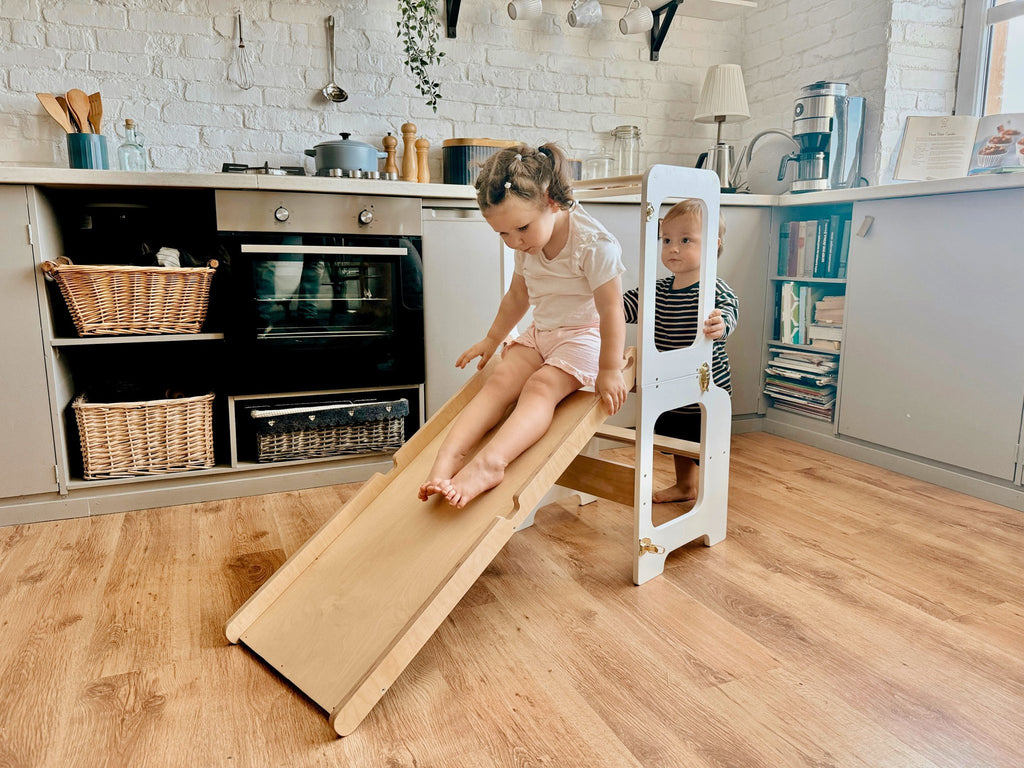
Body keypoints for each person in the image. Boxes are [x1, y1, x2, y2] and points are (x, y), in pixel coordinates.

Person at [419, 142, 628, 508]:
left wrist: (610, 369)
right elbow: (518, 296)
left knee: (540, 386)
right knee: (500, 379)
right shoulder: (526, 243)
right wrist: (492, 338)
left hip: (582, 339)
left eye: (521, 229)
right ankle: (449, 457)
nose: (515, 242)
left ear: (551, 201)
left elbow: (612, 310)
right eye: (502, 234)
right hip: (541, 333)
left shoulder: (594, 245)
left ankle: (489, 464)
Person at [622, 198, 738, 503]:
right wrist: (602, 308)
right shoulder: (657, 290)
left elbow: (729, 311)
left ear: (713, 245)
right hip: (669, 382)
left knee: (705, 442)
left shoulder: (715, 289)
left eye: (686, 240)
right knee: (675, 437)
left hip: (706, 384)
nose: (673, 248)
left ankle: (710, 495)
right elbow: (624, 306)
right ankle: (685, 486)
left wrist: (721, 324)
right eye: (667, 240)